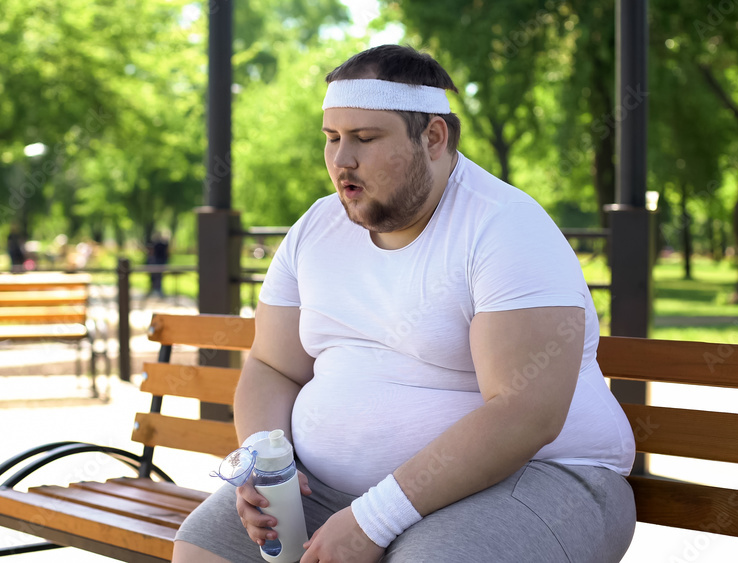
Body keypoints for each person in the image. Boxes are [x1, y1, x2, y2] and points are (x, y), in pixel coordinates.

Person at [174, 45, 637, 563]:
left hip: (537, 480)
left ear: (433, 137)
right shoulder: (315, 229)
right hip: (334, 492)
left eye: (365, 139)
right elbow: (271, 365)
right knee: (201, 550)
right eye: (331, 138)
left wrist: (375, 519)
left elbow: (525, 413)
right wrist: (265, 460)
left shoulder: (507, 227)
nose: (341, 159)